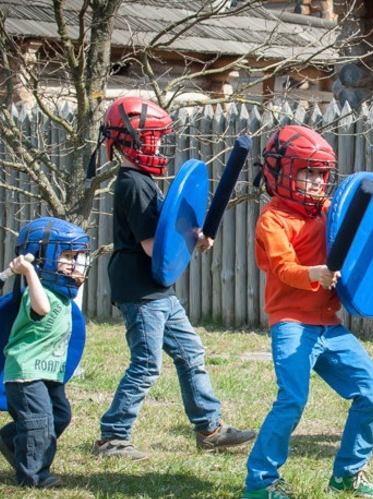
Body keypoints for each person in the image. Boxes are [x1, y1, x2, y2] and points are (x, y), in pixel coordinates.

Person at [93, 96, 255, 460]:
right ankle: (112, 438)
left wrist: (194, 235)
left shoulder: (147, 181)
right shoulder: (133, 183)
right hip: (139, 287)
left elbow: (169, 235)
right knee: (147, 364)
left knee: (190, 352)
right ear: (133, 140)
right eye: (154, 137)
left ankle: (209, 428)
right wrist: (190, 239)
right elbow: (154, 247)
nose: (159, 145)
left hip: (157, 289)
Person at [240, 125, 373, 499]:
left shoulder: (330, 212)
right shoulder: (272, 221)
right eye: (308, 172)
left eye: (323, 174)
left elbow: (362, 243)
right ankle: (260, 483)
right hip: (291, 321)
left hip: (329, 325)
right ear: (282, 173)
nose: (317, 182)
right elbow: (282, 267)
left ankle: (347, 476)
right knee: (292, 399)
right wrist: (313, 273)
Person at [0, 216, 91, 489]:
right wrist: (29, 272)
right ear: (46, 258)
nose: (77, 264)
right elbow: (41, 309)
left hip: (49, 372)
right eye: (69, 257)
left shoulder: (62, 296)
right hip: (26, 373)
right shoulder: (38, 293)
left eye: (79, 257)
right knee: (38, 422)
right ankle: (34, 475)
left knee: (60, 416)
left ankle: (13, 441)